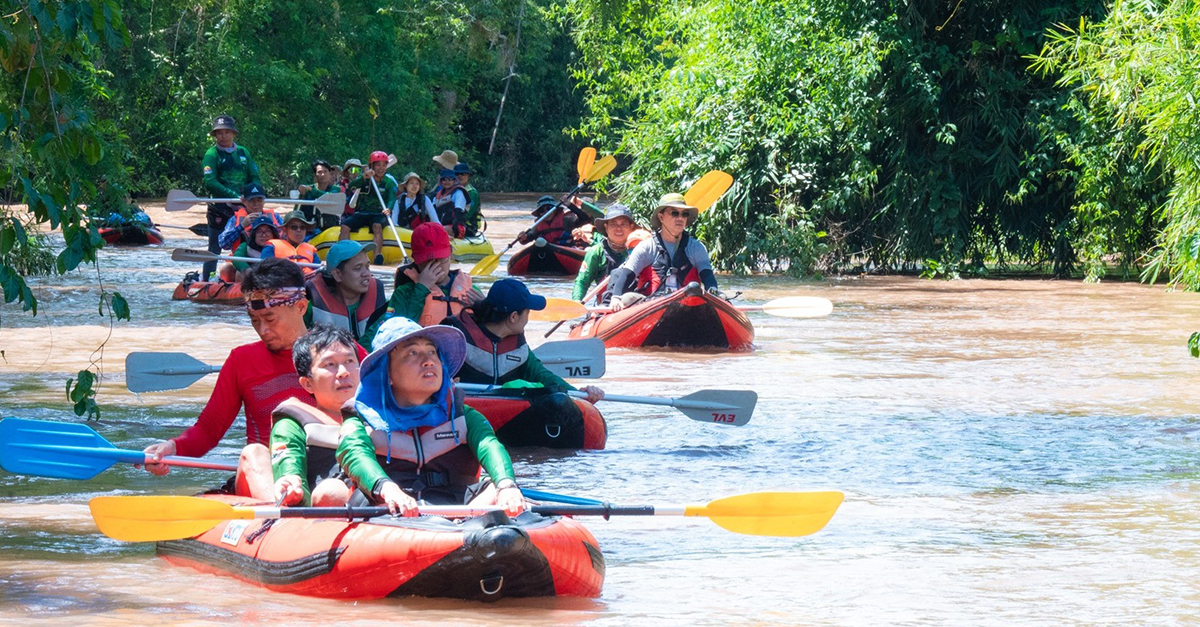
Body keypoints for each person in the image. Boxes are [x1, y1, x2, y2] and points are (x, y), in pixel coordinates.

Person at [141, 259, 315, 499]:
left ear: (301, 307)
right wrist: (172, 448)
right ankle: (281, 510)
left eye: (270, 318)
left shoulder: (342, 355)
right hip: (265, 473)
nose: (262, 329)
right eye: (255, 320)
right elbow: (208, 430)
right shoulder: (241, 360)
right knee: (254, 452)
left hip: (326, 471)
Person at [335, 317, 525, 516]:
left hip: (459, 509)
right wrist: (387, 489)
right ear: (387, 374)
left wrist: (506, 485)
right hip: (392, 508)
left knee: (497, 488)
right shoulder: (360, 421)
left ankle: (467, 525)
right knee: (355, 498)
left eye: (432, 352)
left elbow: (490, 445)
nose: (428, 361)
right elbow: (355, 454)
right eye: (413, 353)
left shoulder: (463, 415)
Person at [443, 279, 604, 403]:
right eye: (527, 312)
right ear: (513, 317)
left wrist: (578, 393)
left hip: (504, 410)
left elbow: (543, 376)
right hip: (467, 408)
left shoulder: (517, 344)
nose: (528, 318)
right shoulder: (454, 334)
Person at [271, 325, 362, 507]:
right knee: (331, 493)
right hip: (324, 504)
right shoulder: (292, 424)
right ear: (308, 384)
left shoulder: (384, 416)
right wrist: (292, 484)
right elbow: (290, 465)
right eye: (330, 364)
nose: (344, 372)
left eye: (350, 361)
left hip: (378, 500)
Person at [608, 192, 721, 311]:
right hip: (652, 303)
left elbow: (708, 276)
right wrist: (616, 298)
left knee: (720, 297)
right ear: (661, 217)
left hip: (688, 303)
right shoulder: (646, 247)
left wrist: (712, 291)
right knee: (626, 298)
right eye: (674, 213)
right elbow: (626, 275)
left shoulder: (696, 247)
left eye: (684, 214)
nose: (680, 218)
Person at [370, 222, 479, 334]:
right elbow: (391, 332)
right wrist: (421, 290)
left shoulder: (470, 290)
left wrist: (486, 308)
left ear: (450, 253)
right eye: (427, 262)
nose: (435, 265)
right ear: (415, 260)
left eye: (440, 259)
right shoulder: (404, 293)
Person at [201, 115, 261, 280]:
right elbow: (210, 182)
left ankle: (249, 274)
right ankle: (208, 278)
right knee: (215, 246)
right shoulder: (211, 154)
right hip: (219, 207)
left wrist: (254, 195)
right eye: (220, 133)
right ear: (215, 135)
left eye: (227, 132)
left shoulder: (243, 152)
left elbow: (253, 176)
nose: (224, 136)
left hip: (243, 206)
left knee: (247, 242)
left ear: (234, 133)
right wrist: (233, 196)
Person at [305, 240, 387, 347]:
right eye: (358, 268)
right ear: (337, 274)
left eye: (367, 266)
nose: (366, 274)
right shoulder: (311, 308)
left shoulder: (382, 304)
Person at [572, 204, 645, 303]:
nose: (618, 228)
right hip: (606, 304)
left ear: (631, 227)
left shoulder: (641, 249)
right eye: (613, 224)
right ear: (606, 227)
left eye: (623, 224)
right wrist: (576, 301)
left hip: (635, 302)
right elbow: (582, 282)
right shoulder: (596, 252)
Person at [341, 151, 397, 264]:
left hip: (378, 214)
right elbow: (351, 186)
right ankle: (344, 253)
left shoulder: (389, 182)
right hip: (362, 213)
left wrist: (389, 208)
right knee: (345, 226)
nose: (381, 168)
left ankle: (377, 256)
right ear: (372, 166)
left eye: (383, 165)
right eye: (378, 165)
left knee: (377, 226)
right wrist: (364, 178)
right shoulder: (365, 179)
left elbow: (392, 198)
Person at [517, 195, 592, 247]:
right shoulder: (538, 225)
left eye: (548, 208)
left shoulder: (566, 220)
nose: (545, 212)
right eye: (542, 210)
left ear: (555, 210)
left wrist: (570, 205)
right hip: (546, 252)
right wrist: (524, 237)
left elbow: (585, 220)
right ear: (539, 213)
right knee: (539, 241)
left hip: (566, 251)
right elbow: (528, 238)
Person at [228, 212, 278, 281]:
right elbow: (236, 259)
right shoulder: (246, 245)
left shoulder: (280, 246)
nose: (264, 235)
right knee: (238, 273)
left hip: (273, 278)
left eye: (268, 231)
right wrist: (249, 272)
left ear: (273, 234)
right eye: (259, 231)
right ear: (253, 234)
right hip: (251, 278)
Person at [297, 159, 342, 232]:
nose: (323, 174)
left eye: (325, 171)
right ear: (315, 175)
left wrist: (311, 190)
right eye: (319, 172)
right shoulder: (307, 189)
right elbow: (298, 209)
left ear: (329, 173)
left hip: (330, 229)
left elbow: (327, 197)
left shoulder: (336, 190)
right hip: (309, 228)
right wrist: (301, 194)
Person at [432, 168, 468, 238]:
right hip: (440, 226)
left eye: (450, 179)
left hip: (457, 227)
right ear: (441, 181)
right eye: (444, 179)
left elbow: (458, 212)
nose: (447, 182)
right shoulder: (437, 195)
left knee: (436, 230)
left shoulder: (458, 193)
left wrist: (455, 227)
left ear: (454, 181)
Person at [454, 162, 483, 237]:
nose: (460, 176)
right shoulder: (451, 190)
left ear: (468, 176)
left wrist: (454, 223)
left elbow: (467, 215)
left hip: (469, 226)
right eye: (457, 174)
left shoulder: (472, 193)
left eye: (463, 174)